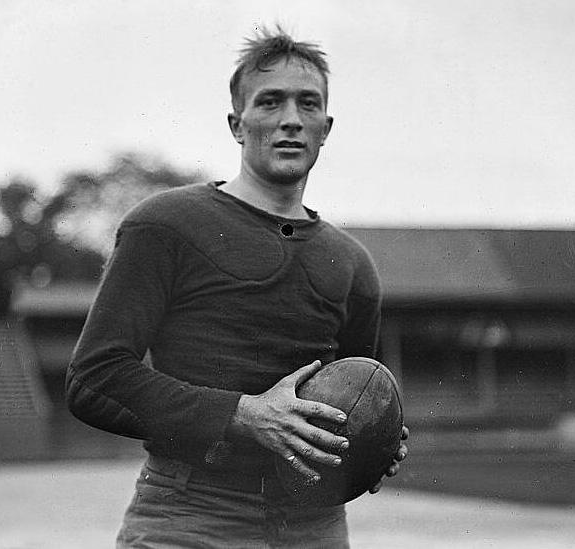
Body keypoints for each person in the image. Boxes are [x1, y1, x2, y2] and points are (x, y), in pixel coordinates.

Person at [66, 26, 409, 548]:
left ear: (326, 126)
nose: (291, 119)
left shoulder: (353, 263)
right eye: (270, 101)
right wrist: (245, 415)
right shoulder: (166, 224)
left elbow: (350, 396)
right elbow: (94, 378)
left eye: (307, 104)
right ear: (237, 123)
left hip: (314, 526)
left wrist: (373, 439)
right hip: (191, 514)